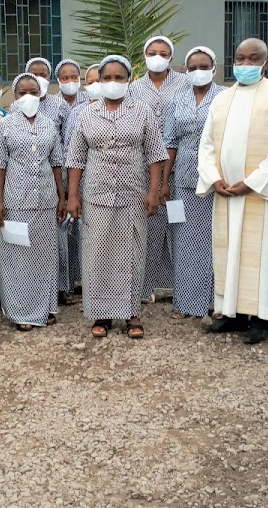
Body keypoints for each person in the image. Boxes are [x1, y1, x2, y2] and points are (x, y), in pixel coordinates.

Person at [197, 38, 268, 344]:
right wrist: (214, 179)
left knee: (262, 255)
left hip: (259, 194)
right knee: (228, 253)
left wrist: (251, 183)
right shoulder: (222, 100)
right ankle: (233, 314)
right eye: (240, 58)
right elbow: (207, 144)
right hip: (226, 193)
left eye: (254, 59)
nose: (246, 64)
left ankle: (262, 318)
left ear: (266, 64)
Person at [66, 55, 167, 339]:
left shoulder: (142, 111)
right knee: (97, 253)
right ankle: (102, 313)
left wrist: (154, 191)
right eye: (106, 78)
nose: (112, 83)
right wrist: (73, 195)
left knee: (132, 253)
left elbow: (155, 154)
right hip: (96, 194)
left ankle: (131, 313)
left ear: (129, 80)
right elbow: (76, 157)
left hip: (133, 194)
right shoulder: (87, 114)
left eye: (118, 78)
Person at [0, 73, 67, 330]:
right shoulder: (6, 124)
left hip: (46, 200)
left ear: (41, 94)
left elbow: (57, 162)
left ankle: (44, 308)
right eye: (22, 92)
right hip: (16, 201)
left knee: (45, 257)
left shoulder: (49, 124)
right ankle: (20, 310)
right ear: (14, 96)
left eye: (33, 91)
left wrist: (62, 197)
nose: (28, 96)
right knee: (18, 257)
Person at [162, 46, 226, 319]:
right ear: (184, 71)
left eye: (204, 66)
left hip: (215, 179)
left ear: (214, 68)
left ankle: (214, 300)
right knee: (185, 240)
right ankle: (186, 301)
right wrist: (165, 180)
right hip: (183, 178)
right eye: (192, 67)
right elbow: (170, 142)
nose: (198, 72)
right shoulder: (178, 100)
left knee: (212, 239)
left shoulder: (225, 97)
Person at [130, 36, 189, 302]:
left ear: (171, 58)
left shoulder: (185, 84)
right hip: (146, 169)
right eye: (152, 52)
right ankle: (144, 288)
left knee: (180, 227)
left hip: (181, 169)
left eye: (163, 53)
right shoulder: (133, 88)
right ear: (144, 57)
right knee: (150, 228)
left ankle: (182, 286)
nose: (157, 56)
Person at [58, 63, 101, 302]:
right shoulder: (78, 112)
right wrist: (69, 188)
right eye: (91, 80)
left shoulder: (130, 109)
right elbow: (69, 150)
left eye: (100, 80)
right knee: (77, 236)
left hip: (108, 184)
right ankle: (79, 281)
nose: (96, 85)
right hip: (80, 181)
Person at [26, 57, 71, 130]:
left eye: (43, 75)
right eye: (34, 75)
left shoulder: (60, 104)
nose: (38, 79)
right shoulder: (18, 105)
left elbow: (67, 136)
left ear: (49, 77)